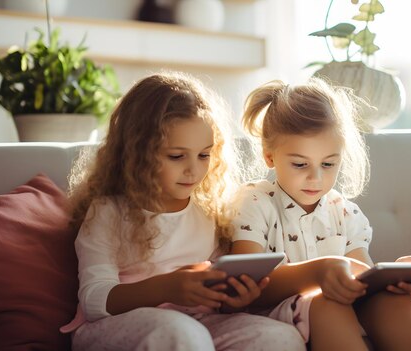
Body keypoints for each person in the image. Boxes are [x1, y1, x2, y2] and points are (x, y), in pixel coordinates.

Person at [60, 71, 306, 351]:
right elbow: (94, 300)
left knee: (280, 337)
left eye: (204, 155)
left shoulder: (209, 209)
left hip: (197, 323)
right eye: (176, 156)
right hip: (115, 326)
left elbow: (214, 293)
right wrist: (166, 287)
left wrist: (232, 299)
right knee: (182, 334)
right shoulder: (109, 211)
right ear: (136, 153)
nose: (194, 170)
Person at [229, 78, 411, 351]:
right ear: (270, 156)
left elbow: (361, 278)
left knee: (394, 302)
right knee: (326, 303)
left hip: (340, 305)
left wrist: (398, 279)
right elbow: (249, 286)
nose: (315, 177)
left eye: (329, 164)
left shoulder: (344, 211)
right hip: (282, 312)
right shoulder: (255, 202)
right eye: (300, 164)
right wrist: (317, 274)